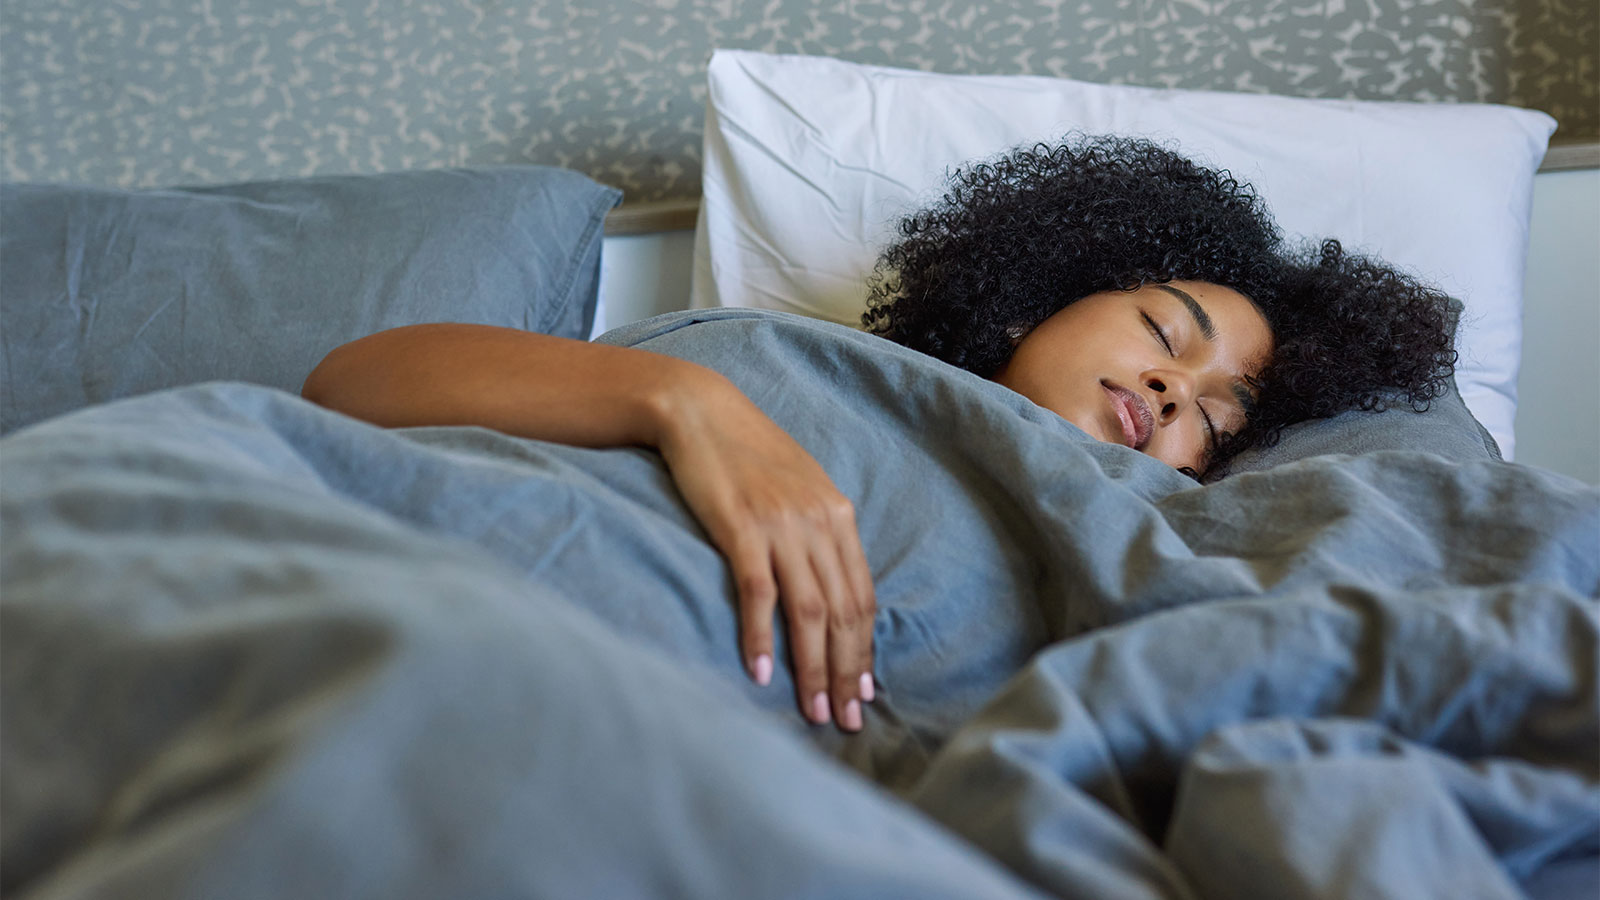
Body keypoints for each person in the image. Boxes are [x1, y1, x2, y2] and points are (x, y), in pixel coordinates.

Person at [301, 135, 1456, 734]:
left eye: (1212, 414)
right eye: (1165, 332)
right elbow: (350, 385)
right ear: (1044, 296)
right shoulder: (769, 353)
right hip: (405, 576)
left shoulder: (1141, 533)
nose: (1169, 388)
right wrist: (691, 406)